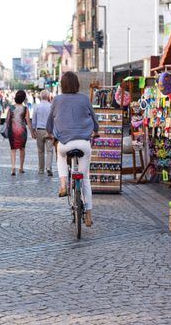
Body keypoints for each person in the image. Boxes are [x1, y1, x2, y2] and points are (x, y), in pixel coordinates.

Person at [46, 72, 99, 227]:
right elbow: (94, 120)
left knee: (60, 156)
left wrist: (50, 133)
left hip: (64, 143)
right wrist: (96, 130)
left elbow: (50, 123)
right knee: (85, 178)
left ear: (62, 84)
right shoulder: (84, 98)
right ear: (77, 84)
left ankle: (63, 184)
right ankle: (88, 214)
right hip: (83, 143)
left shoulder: (57, 100)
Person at [6, 90, 34, 175]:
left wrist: (7, 130)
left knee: (13, 149)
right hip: (22, 131)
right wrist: (32, 132)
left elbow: (7, 120)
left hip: (12, 130)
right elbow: (28, 121)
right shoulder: (25, 109)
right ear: (24, 99)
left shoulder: (11, 108)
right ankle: (21, 167)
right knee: (22, 149)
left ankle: (13, 168)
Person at [31, 90, 53, 176]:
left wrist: (33, 131)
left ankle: (41, 169)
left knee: (40, 151)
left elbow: (34, 120)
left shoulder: (37, 107)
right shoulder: (51, 106)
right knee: (49, 150)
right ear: (48, 97)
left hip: (39, 130)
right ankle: (48, 167)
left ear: (40, 97)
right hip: (49, 131)